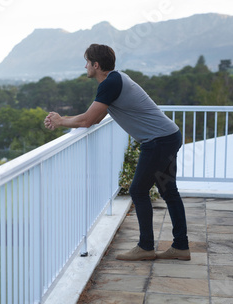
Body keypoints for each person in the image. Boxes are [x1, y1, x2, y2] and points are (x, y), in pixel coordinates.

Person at [44, 44, 190, 261]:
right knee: (169, 192)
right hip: (168, 136)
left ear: (96, 65)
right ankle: (180, 247)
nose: (85, 66)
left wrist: (60, 121)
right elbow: (97, 117)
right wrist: (68, 120)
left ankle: (146, 247)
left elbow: (87, 119)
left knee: (139, 191)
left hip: (158, 142)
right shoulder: (115, 79)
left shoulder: (110, 83)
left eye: (87, 62)